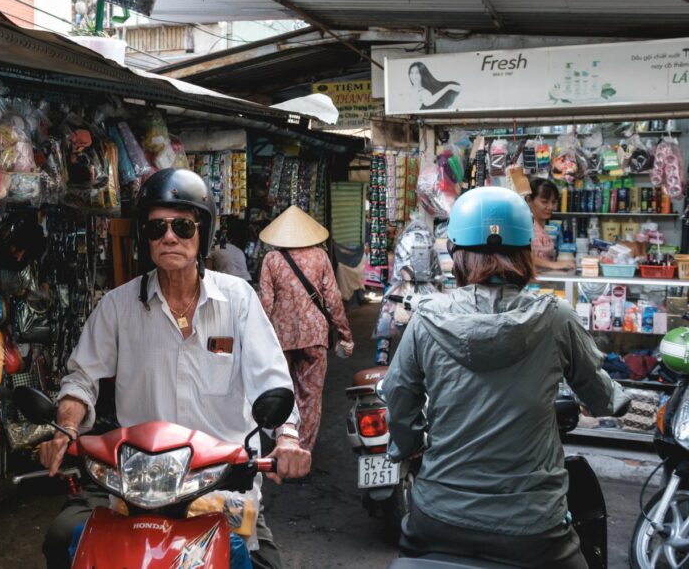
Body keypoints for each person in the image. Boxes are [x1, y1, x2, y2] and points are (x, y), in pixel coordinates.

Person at [40, 168, 310, 569]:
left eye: (182, 226)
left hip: (220, 483)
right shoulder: (117, 306)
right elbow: (81, 378)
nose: (170, 237)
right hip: (137, 487)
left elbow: (271, 379)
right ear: (144, 238)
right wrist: (65, 428)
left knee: (266, 565)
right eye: (157, 228)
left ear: (202, 232)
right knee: (63, 539)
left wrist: (286, 438)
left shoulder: (238, 300)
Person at [383, 186, 629, 568]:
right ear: (525, 253)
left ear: (456, 253)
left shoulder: (426, 320)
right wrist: (611, 398)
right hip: (534, 527)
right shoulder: (557, 318)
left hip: (436, 516)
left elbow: (399, 398)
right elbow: (602, 398)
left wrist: (409, 444)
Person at [258, 206, 353, 454]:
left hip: (281, 337)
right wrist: (345, 334)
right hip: (315, 337)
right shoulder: (320, 257)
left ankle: (283, 445)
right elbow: (332, 298)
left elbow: (265, 302)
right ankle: (303, 451)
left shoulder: (272, 260)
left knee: (281, 391)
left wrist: (257, 338)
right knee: (310, 397)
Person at [527, 177, 570, 271]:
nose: (551, 207)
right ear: (529, 200)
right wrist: (552, 265)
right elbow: (521, 256)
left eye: (553, 202)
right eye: (544, 202)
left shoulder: (540, 227)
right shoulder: (524, 226)